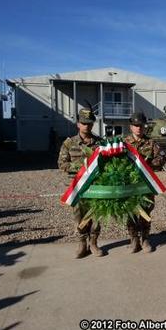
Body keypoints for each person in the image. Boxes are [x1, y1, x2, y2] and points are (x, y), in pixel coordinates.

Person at [58, 108, 103, 259]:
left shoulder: (100, 143)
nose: (87, 126)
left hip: (96, 187)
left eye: (89, 123)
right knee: (79, 216)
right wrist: (82, 167)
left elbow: (106, 164)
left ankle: (94, 243)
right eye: (84, 123)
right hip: (77, 187)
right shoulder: (69, 143)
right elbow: (62, 164)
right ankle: (82, 243)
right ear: (78, 124)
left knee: (96, 215)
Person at [124, 112, 162, 253]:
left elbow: (159, 160)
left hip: (145, 185)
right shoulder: (124, 143)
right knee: (130, 213)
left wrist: (147, 164)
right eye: (135, 125)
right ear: (131, 126)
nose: (138, 128)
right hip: (128, 185)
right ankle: (133, 240)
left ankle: (145, 239)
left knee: (145, 212)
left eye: (140, 125)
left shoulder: (151, 143)